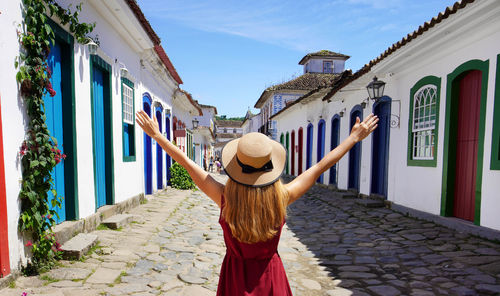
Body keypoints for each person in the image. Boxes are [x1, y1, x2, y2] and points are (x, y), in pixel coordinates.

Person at [136, 110, 378, 296]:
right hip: (270, 277)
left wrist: (157, 135)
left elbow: (189, 164)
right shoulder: (282, 197)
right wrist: (353, 138)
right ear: (270, 167)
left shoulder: (225, 199)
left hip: (234, 278)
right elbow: (319, 167)